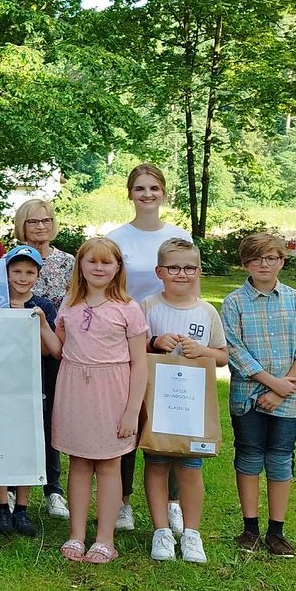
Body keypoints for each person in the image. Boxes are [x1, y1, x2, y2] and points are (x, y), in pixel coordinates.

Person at [105, 163, 193, 531]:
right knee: (126, 420)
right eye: (139, 188)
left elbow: (191, 285)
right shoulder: (117, 238)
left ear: (164, 193)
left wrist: (193, 334)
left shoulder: (178, 235)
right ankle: (123, 501)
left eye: (154, 188)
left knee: (169, 423)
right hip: (127, 340)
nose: (147, 195)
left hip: (169, 340)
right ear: (130, 194)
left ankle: (172, 502)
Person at [53, 237, 149, 565]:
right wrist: (37, 321)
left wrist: (132, 411)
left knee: (109, 465)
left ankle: (105, 538)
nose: (98, 267)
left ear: (118, 268)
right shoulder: (69, 303)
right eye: (91, 261)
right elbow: (58, 348)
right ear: (80, 264)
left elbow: (140, 363)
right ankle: (77, 534)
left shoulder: (128, 309)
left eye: (106, 262)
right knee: (78, 463)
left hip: (113, 393)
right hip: (75, 390)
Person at [222, 233, 296, 559]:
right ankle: (249, 529)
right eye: (256, 258)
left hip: (288, 399)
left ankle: (276, 532)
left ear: (282, 260)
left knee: (280, 459)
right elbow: (234, 350)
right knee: (248, 456)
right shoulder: (234, 302)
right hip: (247, 396)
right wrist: (270, 383)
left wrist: (282, 390)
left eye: (271, 258)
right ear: (245, 263)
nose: (264, 264)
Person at [142, 237, 228, 564]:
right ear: (159, 271)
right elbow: (133, 344)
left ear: (199, 271)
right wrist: (154, 340)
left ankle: (191, 533)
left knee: (191, 467)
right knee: (157, 463)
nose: (182, 274)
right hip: (158, 402)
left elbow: (222, 356)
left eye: (189, 268)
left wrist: (202, 351)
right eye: (174, 267)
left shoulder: (207, 312)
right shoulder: (148, 306)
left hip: (192, 407)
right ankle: (161, 530)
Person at [0, 245, 60, 539]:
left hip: (31, 386)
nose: (22, 277)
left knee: (26, 443)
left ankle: (21, 508)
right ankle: (1, 505)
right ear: (6, 271)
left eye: (29, 272)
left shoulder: (43, 306)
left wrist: (41, 324)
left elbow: (55, 350)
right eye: (16, 271)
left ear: (38, 274)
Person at [12, 197, 74, 309]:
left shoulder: (68, 261)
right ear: (22, 226)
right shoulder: (9, 260)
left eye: (46, 221)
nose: (41, 227)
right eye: (33, 222)